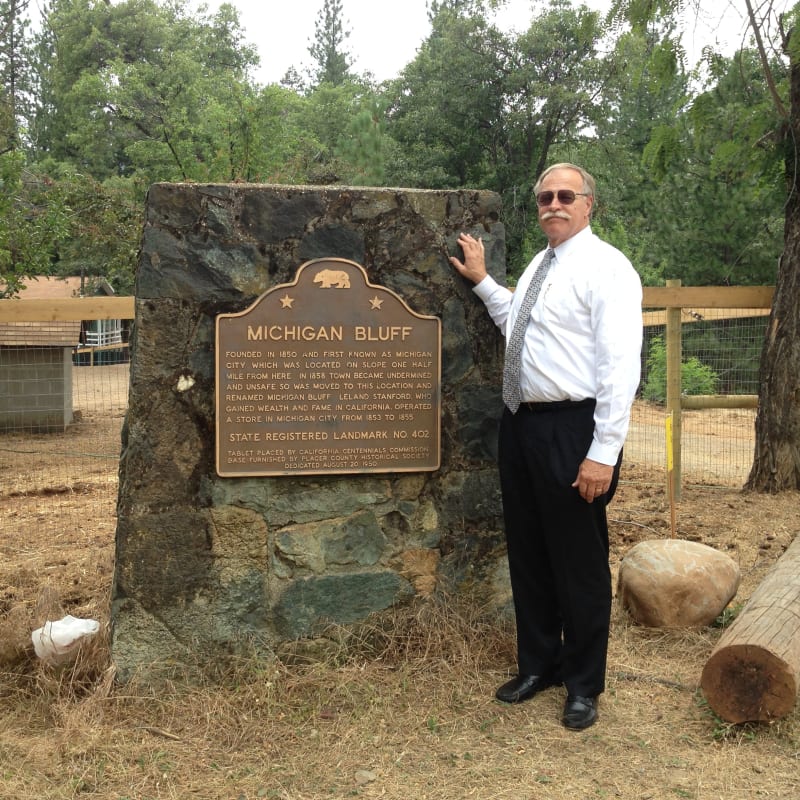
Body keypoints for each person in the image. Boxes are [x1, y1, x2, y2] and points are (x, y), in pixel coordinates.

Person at [449, 163, 642, 730]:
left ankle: (584, 684)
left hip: (574, 430)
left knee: (577, 562)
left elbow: (619, 368)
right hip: (523, 425)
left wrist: (603, 452)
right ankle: (539, 664)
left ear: (588, 204)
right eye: (544, 197)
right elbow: (521, 324)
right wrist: (485, 281)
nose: (552, 205)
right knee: (530, 552)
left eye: (565, 196)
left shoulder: (607, 268)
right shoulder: (541, 264)